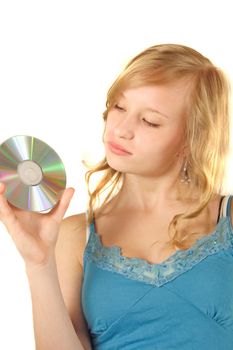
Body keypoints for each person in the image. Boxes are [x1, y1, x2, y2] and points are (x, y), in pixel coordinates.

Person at [0, 43, 233, 350]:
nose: (121, 128)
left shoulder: (226, 220)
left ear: (192, 138)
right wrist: (39, 263)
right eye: (119, 107)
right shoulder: (74, 238)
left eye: (149, 120)